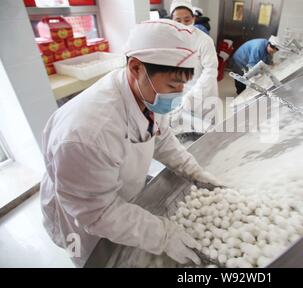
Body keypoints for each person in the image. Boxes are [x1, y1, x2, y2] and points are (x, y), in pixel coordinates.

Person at [40, 20, 222, 267]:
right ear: (136, 67)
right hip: (84, 213)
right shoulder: (87, 134)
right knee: (96, 260)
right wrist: (164, 235)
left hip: (113, 190)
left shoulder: (144, 92)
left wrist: (193, 171)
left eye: (183, 84)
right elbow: (99, 213)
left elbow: (160, 136)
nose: (178, 94)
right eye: (172, 85)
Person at [170, 0, 218, 126]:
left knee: (204, 130)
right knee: (181, 129)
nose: (183, 24)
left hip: (203, 93)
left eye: (187, 20)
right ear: (172, 21)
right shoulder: (170, 39)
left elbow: (211, 71)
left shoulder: (204, 41)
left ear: (193, 19)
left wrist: (192, 96)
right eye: (178, 20)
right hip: (179, 92)